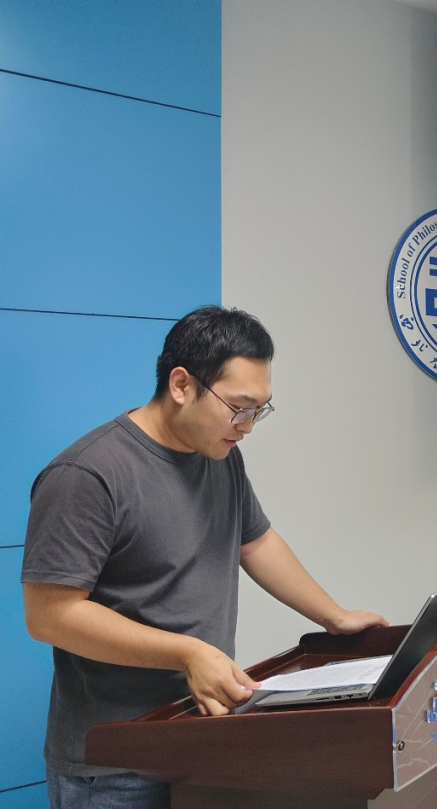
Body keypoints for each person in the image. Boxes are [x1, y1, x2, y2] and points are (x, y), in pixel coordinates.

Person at [21, 306, 387, 809]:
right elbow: (50, 615)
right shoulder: (87, 475)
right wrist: (187, 652)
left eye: (259, 410)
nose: (248, 426)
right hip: (114, 764)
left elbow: (255, 541)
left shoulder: (220, 455)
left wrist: (333, 616)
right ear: (181, 385)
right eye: (239, 407)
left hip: (199, 736)